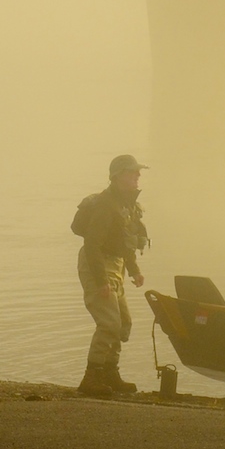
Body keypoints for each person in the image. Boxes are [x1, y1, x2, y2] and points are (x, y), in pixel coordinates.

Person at [71, 154, 150, 396]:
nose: (137, 175)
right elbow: (92, 244)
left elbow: (125, 242)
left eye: (138, 172)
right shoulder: (106, 205)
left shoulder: (129, 205)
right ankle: (91, 378)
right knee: (109, 323)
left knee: (123, 322)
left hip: (116, 265)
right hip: (98, 265)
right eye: (131, 172)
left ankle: (109, 374)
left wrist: (134, 270)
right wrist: (101, 281)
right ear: (116, 177)